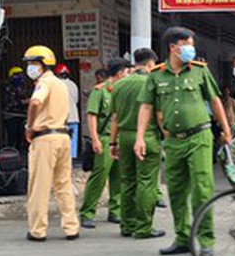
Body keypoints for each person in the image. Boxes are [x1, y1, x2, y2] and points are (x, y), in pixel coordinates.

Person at [135, 27, 232, 256]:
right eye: (187, 44)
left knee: (202, 188)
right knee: (177, 191)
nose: (191, 48)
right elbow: (146, 106)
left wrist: (226, 130)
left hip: (200, 136)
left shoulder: (199, 72)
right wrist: (139, 137)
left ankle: (206, 240)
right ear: (173, 47)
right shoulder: (156, 75)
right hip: (173, 142)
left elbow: (215, 100)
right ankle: (182, 238)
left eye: (191, 44)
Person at [109, 48, 166, 239]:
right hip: (147, 136)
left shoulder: (119, 85)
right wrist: (167, 136)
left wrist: (112, 143)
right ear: (151, 64)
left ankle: (127, 225)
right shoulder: (152, 82)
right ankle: (143, 228)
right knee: (147, 183)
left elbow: (114, 118)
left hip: (124, 137)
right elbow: (159, 115)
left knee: (127, 181)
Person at [22, 45, 77, 242]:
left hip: (45, 139)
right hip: (63, 136)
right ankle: (71, 227)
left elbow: (36, 102)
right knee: (64, 184)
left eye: (34, 63)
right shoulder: (61, 84)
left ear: (44, 65)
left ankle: (38, 230)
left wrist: (30, 126)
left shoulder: (44, 83)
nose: (30, 67)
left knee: (39, 186)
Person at [79, 64, 126, 229]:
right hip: (104, 138)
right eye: (126, 72)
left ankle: (115, 210)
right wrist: (95, 139)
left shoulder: (122, 91)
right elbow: (91, 116)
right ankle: (87, 212)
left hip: (120, 139)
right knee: (99, 176)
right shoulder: (99, 91)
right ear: (120, 73)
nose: (128, 75)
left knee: (118, 176)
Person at [55, 64, 81, 156]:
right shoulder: (73, 85)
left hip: (60, 118)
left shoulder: (56, 85)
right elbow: (76, 100)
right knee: (72, 141)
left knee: (60, 141)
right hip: (73, 117)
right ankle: (73, 159)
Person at [3, 66, 30, 151]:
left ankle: (19, 154)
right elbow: (11, 102)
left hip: (22, 115)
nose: (20, 77)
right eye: (18, 75)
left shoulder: (22, 87)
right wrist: (25, 101)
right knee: (12, 136)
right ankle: (11, 153)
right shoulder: (8, 87)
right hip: (11, 116)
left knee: (20, 137)